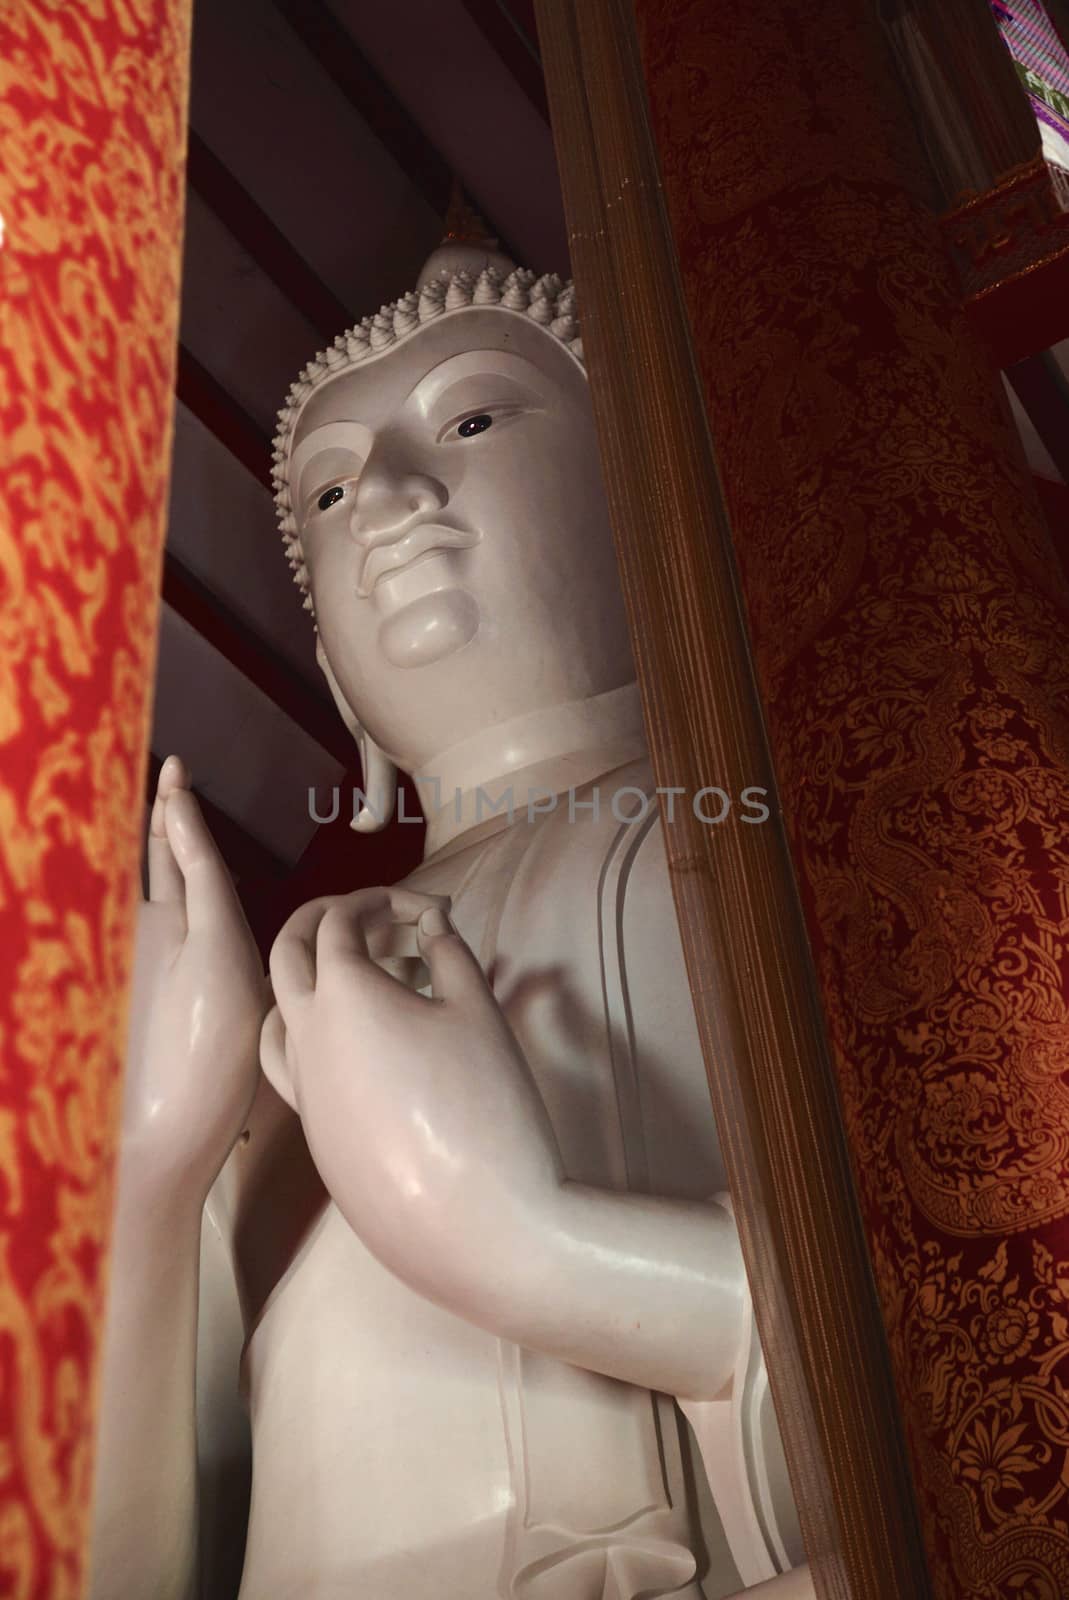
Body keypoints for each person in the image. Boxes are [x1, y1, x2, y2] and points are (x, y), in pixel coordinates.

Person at [89, 239, 814, 1600]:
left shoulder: (802, 831)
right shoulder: (283, 999)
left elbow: (982, 1331)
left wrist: (526, 1244)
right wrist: (151, 1174)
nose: (389, 502)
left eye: (473, 419)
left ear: (661, 508)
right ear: (335, 684)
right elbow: (134, 1566)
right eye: (328, 488)